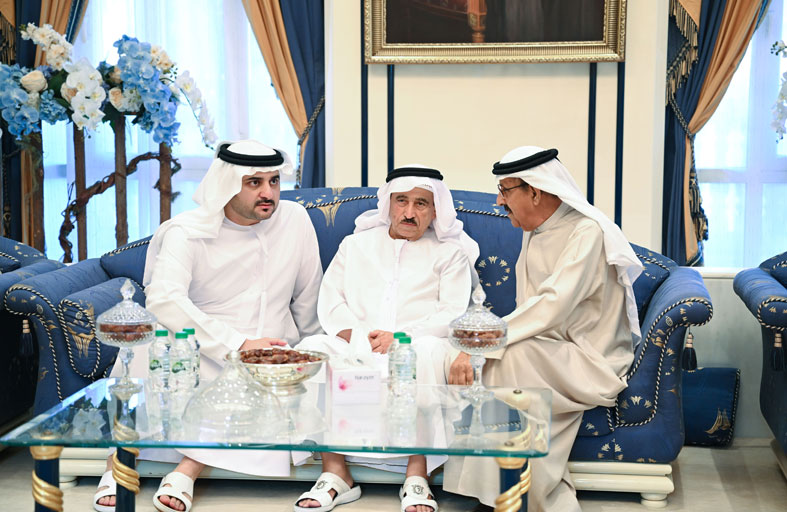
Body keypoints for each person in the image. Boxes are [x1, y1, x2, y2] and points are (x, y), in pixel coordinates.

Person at [93, 140, 323, 512]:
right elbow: (164, 299)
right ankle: (119, 462)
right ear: (227, 183)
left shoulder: (295, 219)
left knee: (261, 369)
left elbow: (309, 295)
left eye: (274, 181)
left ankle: (187, 470)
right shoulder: (186, 231)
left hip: (271, 345)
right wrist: (237, 343)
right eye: (254, 183)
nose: (268, 193)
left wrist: (314, 348)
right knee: (149, 347)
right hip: (199, 338)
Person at [443, 146, 642, 512]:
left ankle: (516, 496)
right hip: (551, 352)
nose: (499, 201)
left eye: (505, 191)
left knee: (503, 358)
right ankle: (501, 493)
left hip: (590, 361)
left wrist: (482, 341)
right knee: (489, 358)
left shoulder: (586, 232)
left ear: (534, 191)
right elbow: (534, 311)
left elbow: (552, 304)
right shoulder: (535, 229)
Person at [294, 166, 480, 512]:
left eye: (421, 203)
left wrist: (401, 338)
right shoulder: (355, 246)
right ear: (388, 205)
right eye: (401, 201)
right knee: (313, 349)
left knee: (424, 352)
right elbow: (331, 303)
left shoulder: (450, 253)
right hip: (357, 342)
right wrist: (361, 339)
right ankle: (335, 472)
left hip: (418, 343)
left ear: (435, 210)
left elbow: (452, 313)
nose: (409, 213)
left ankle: (417, 474)